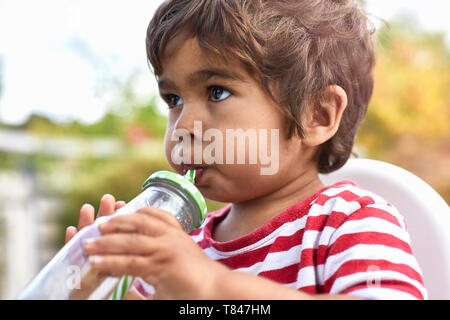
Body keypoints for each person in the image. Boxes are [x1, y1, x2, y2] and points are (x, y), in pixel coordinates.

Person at [65, 0, 427, 300]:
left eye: (216, 91)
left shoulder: (349, 222)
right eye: (173, 99)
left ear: (316, 114)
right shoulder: (181, 246)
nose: (183, 127)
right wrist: (98, 289)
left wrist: (211, 285)